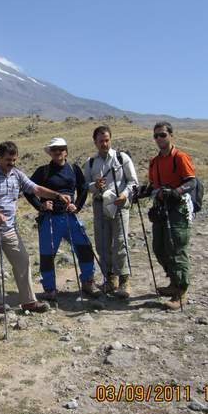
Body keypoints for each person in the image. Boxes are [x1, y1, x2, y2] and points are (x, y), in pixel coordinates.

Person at [0, 141, 72, 314]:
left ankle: (28, 301)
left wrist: (57, 195)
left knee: (23, 260)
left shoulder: (17, 175)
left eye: (13, 160)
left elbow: (36, 189)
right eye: (7, 160)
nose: (11, 163)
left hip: (10, 228)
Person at [24, 138, 100, 301]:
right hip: (49, 219)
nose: (57, 152)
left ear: (66, 151)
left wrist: (77, 207)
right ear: (50, 152)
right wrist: (40, 206)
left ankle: (88, 282)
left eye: (61, 149)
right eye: (54, 149)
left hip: (70, 217)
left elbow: (83, 188)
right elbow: (28, 190)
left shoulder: (74, 169)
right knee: (47, 255)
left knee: (85, 248)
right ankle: (49, 289)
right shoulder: (42, 171)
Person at [145, 121, 197, 310]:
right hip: (160, 209)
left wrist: (176, 191)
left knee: (176, 248)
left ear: (171, 135)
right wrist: (140, 193)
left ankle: (180, 291)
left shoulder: (179, 157)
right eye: (156, 135)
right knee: (159, 247)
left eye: (162, 135)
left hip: (177, 209)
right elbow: (153, 185)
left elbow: (192, 182)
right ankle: (173, 281)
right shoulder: (155, 161)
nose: (159, 138)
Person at [83, 126, 138, 299]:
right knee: (102, 244)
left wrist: (124, 194)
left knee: (120, 243)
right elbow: (85, 186)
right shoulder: (91, 163)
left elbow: (133, 182)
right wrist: (94, 186)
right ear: (95, 142)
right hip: (100, 206)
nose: (104, 144)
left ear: (110, 140)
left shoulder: (122, 158)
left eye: (107, 140)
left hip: (119, 204)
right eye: (101, 141)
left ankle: (124, 280)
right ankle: (109, 278)